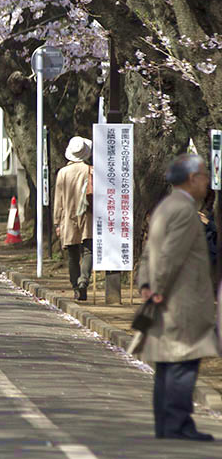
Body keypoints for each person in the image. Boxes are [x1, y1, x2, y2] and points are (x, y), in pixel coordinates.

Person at [138, 154, 219, 441]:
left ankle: (167, 423)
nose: (207, 181)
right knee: (183, 364)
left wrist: (146, 284)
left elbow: (150, 251)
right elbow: (170, 255)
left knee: (168, 364)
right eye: (204, 175)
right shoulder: (185, 211)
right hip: (181, 300)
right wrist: (157, 287)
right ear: (192, 179)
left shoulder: (165, 206)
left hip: (166, 299)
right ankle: (177, 424)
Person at [53, 136, 94, 301]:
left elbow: (59, 199)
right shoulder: (90, 170)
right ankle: (84, 280)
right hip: (88, 214)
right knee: (88, 250)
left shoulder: (63, 172)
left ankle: (76, 287)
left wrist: (57, 221)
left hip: (68, 216)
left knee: (72, 254)